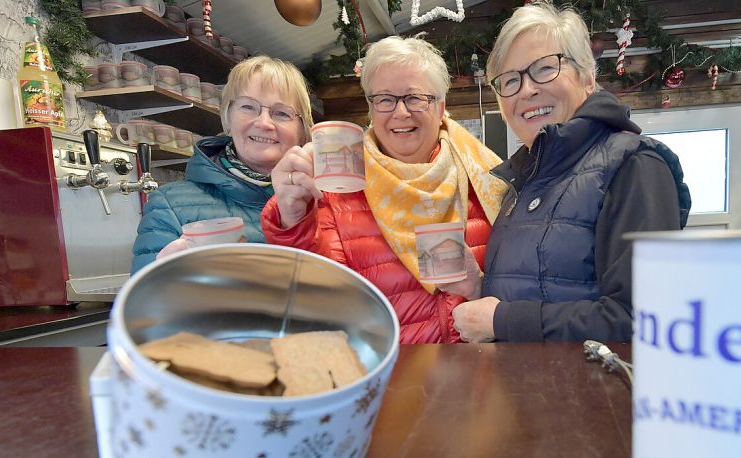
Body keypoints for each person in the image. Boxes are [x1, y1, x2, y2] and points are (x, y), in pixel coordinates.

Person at [449, 1, 691, 343]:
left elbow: (645, 321)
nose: (527, 89)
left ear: (588, 77)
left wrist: (503, 320)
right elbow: (536, 292)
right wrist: (479, 288)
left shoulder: (634, 166)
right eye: (510, 79)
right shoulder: (521, 183)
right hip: (527, 392)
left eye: (545, 68)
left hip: (591, 395)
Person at [261, 36, 508, 344]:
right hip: (394, 378)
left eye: (415, 98)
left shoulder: (486, 178)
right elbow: (317, 296)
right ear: (371, 108)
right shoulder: (339, 189)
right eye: (385, 99)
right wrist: (293, 218)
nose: (400, 112)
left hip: (482, 373)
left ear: (441, 106)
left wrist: (480, 287)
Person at [131, 56, 314, 273]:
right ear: (227, 117)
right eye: (248, 107)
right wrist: (164, 283)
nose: (264, 122)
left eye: (281, 113)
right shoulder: (169, 204)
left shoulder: (327, 202)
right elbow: (141, 301)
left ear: (303, 130)